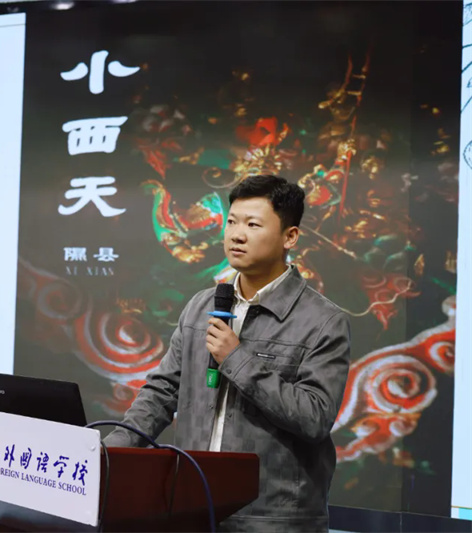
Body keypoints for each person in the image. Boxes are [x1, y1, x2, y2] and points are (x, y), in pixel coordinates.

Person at [103, 174, 351, 532]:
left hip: (272, 519)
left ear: (290, 236)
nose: (236, 235)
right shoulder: (201, 306)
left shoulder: (323, 321)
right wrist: (108, 454)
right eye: (232, 222)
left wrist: (236, 359)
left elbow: (314, 417)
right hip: (193, 508)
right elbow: (160, 393)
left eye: (253, 225)